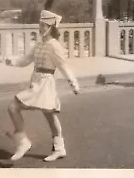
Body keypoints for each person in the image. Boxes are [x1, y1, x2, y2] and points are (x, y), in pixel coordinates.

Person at [4, 9, 80, 162]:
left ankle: (23, 141)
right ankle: (59, 148)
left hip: (46, 83)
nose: (40, 28)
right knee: (49, 115)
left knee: (14, 107)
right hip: (36, 81)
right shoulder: (39, 44)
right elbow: (26, 60)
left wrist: (73, 83)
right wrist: (12, 61)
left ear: (51, 28)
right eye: (39, 25)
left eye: (43, 25)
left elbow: (64, 66)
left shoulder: (54, 46)